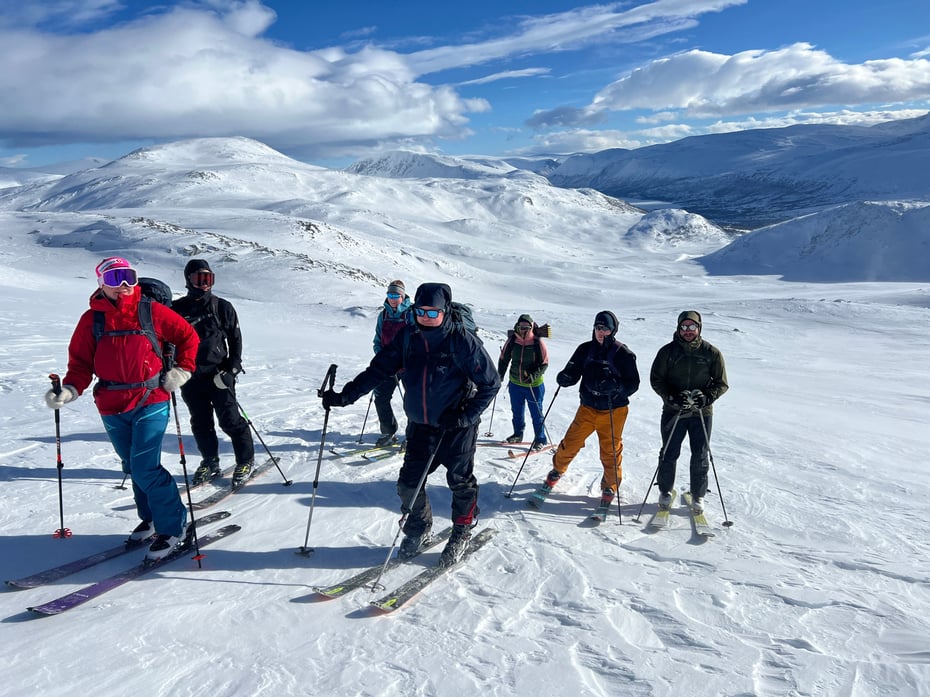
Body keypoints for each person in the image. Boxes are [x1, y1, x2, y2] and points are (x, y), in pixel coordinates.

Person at [321, 282, 500, 566]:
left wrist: (466, 416)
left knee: (460, 483)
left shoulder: (462, 341)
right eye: (421, 311)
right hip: (421, 426)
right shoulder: (408, 337)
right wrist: (345, 396)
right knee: (408, 484)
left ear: (445, 311)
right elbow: (377, 370)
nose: (426, 318)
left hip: (457, 428)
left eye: (433, 313)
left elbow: (491, 384)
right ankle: (419, 527)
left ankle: (462, 531)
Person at [44, 257, 199, 561]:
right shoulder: (92, 320)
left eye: (129, 276)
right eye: (115, 278)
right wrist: (70, 389)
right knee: (132, 465)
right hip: (111, 404)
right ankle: (152, 517)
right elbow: (80, 364)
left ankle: (173, 526)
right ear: (101, 283)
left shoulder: (151, 311)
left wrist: (182, 371)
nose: (125, 285)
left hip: (150, 398)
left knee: (145, 466)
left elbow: (187, 338)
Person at [171, 259, 256, 488]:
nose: (205, 283)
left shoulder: (222, 306)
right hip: (189, 375)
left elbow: (235, 340)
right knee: (200, 422)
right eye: (200, 278)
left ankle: (246, 460)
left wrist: (232, 369)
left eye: (209, 278)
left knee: (230, 420)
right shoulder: (177, 309)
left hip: (218, 375)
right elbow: (169, 341)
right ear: (189, 279)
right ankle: (210, 461)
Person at [542, 311, 640, 506]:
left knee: (610, 450)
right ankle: (557, 470)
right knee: (570, 442)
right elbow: (572, 371)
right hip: (587, 407)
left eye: (605, 328)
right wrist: (565, 378)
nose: (601, 332)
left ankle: (610, 485)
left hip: (614, 410)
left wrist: (617, 388)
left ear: (613, 330)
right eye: (598, 327)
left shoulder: (624, 354)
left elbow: (633, 384)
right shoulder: (585, 349)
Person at [649, 310, 728, 513]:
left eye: (692, 327)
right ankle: (665, 492)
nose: (688, 331)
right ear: (678, 328)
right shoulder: (667, 352)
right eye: (684, 327)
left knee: (700, 454)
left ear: (699, 328)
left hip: (701, 413)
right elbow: (657, 379)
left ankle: (698, 495)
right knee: (668, 452)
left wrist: (707, 397)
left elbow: (721, 383)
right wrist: (671, 397)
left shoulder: (711, 353)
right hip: (673, 411)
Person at [498, 314, 549, 448]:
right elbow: (504, 359)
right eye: (521, 327)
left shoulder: (538, 343)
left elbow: (544, 364)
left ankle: (540, 439)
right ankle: (517, 434)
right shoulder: (512, 341)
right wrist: (500, 375)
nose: (523, 330)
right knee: (517, 411)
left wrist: (533, 376)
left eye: (526, 327)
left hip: (534, 385)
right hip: (515, 383)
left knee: (536, 413)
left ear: (531, 327)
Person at [371, 280, 412, 447]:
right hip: (388, 365)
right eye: (390, 295)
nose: (393, 299)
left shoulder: (411, 314)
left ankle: (413, 436)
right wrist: (381, 358)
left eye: (396, 295)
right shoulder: (384, 315)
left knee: (412, 401)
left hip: (408, 365)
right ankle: (388, 432)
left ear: (403, 296)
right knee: (380, 396)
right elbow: (377, 340)